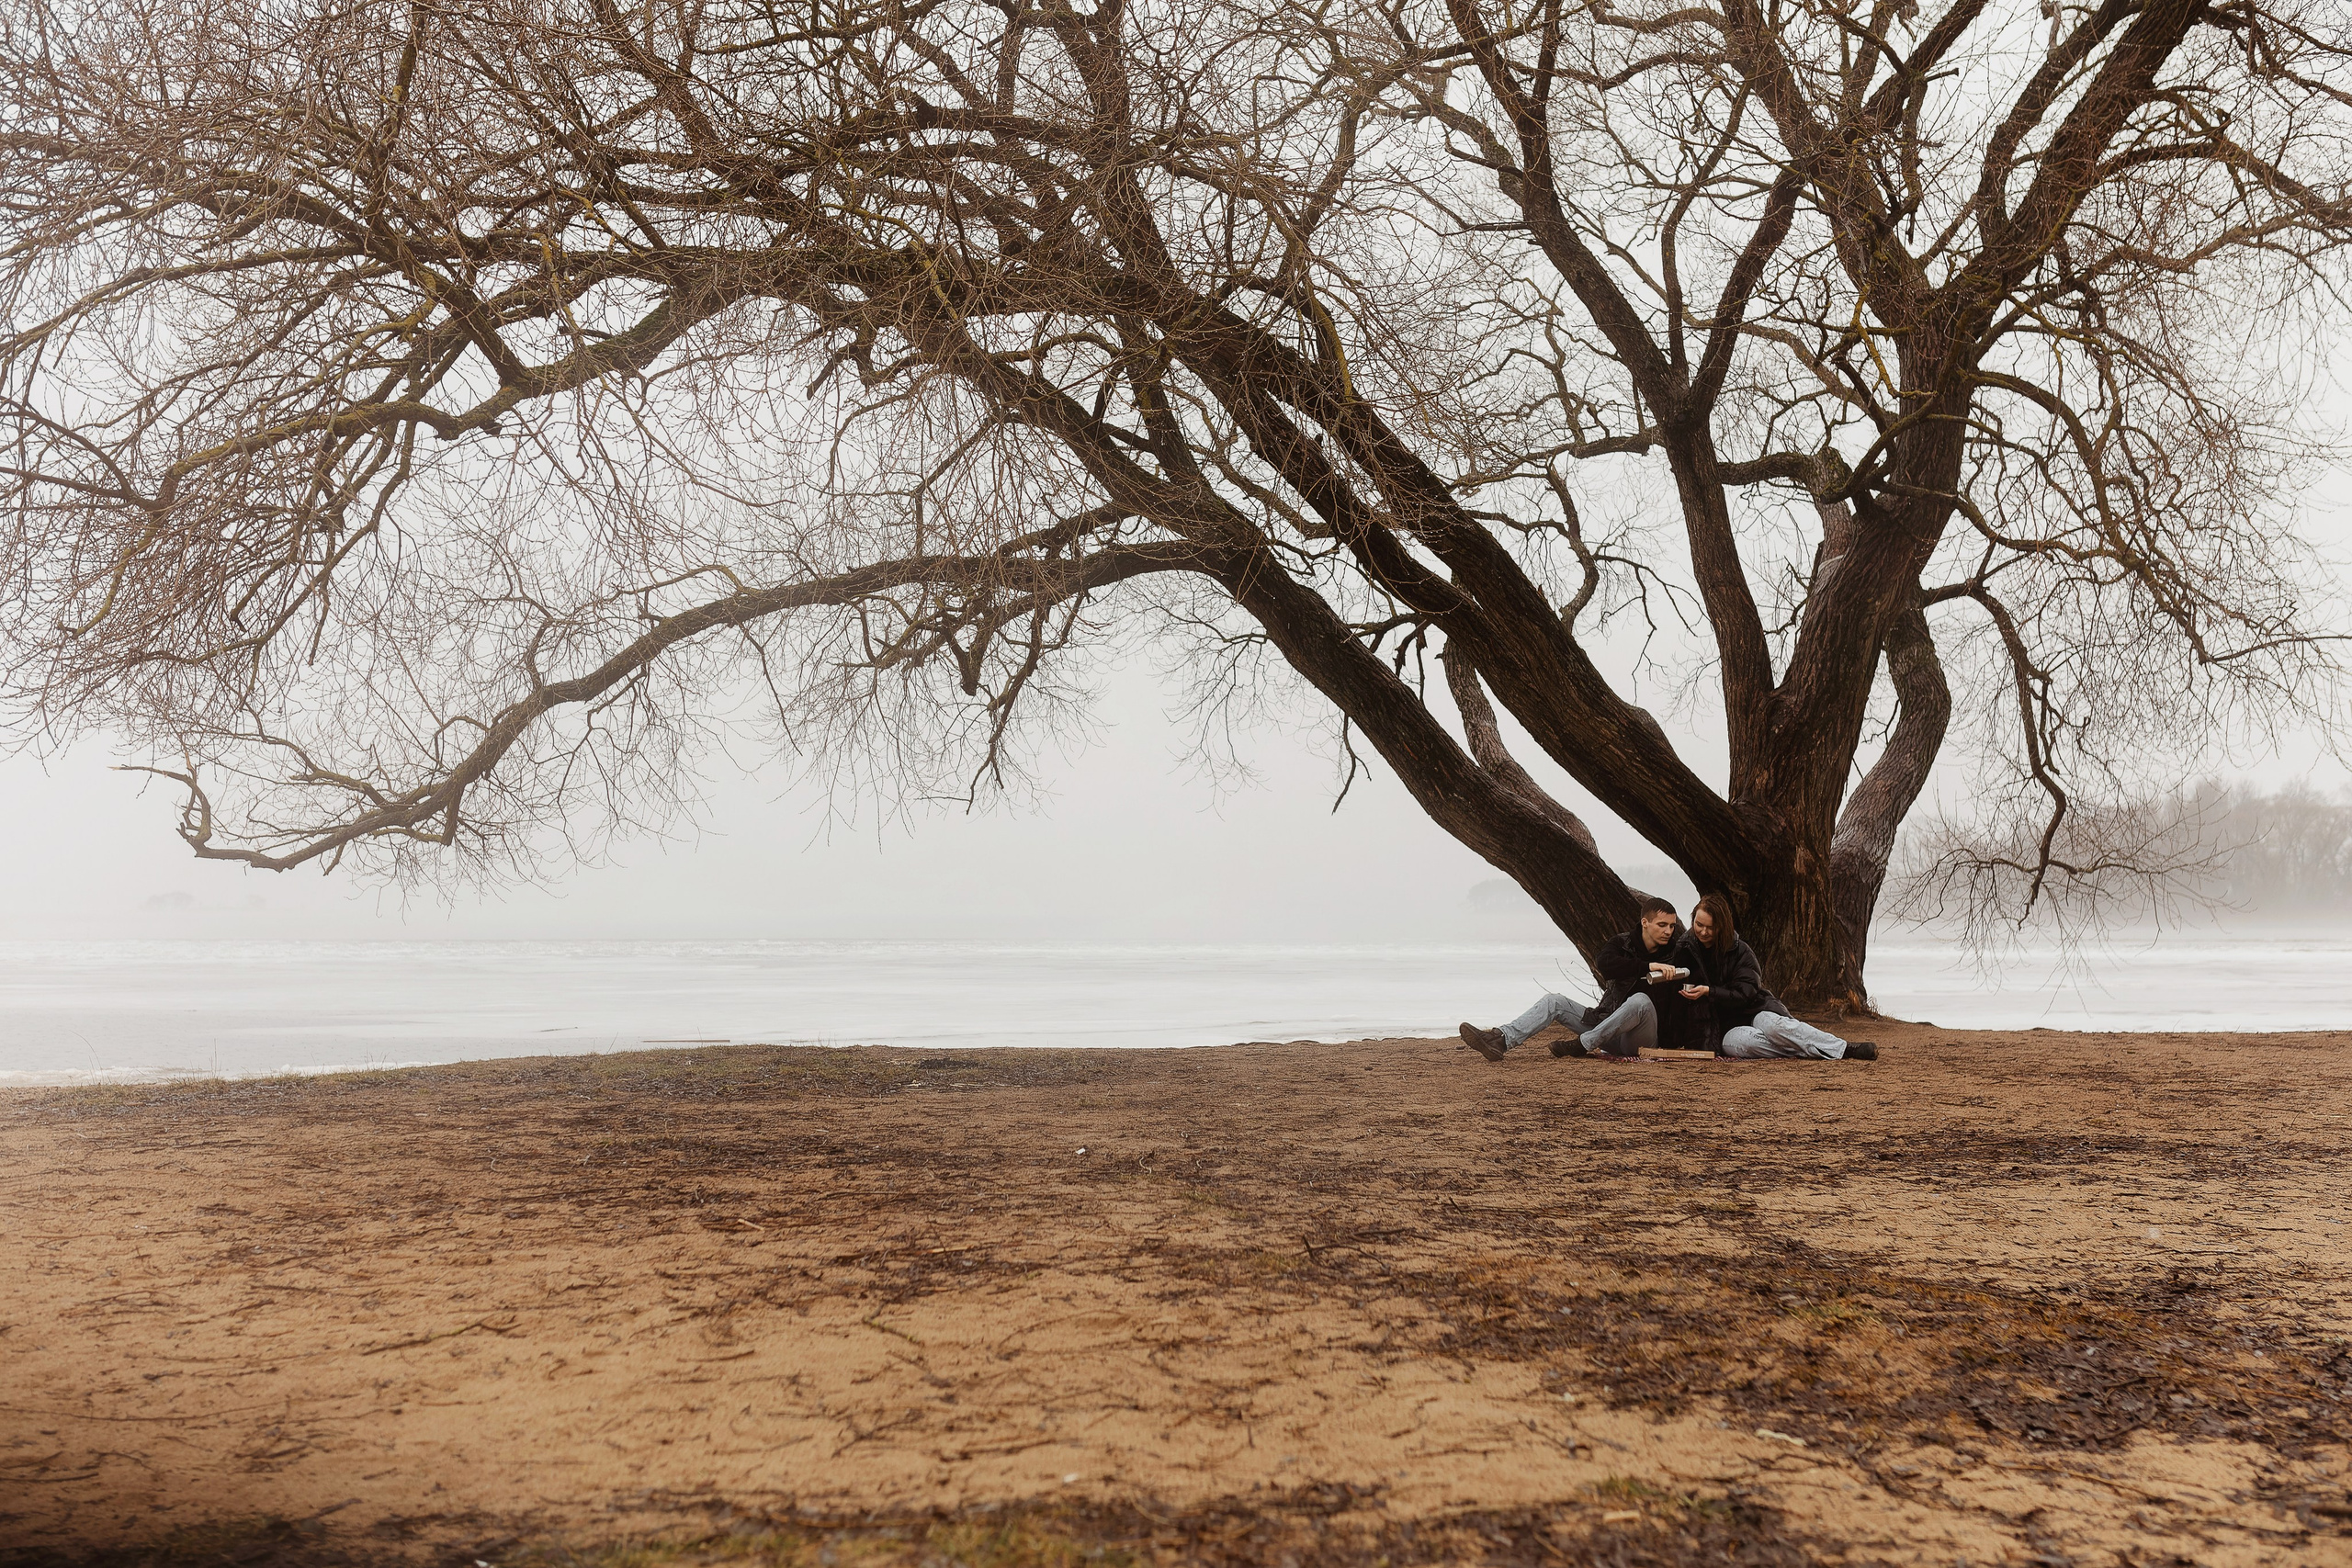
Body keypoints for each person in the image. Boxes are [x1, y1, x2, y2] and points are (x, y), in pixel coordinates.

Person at [1457, 895, 1709, 1061]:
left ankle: (1582, 1044)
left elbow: (1696, 986)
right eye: (1662, 925)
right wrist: (1647, 966)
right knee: (1554, 1001)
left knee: (1641, 1000)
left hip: (1641, 1039)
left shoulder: (1678, 953)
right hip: (1606, 1028)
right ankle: (1500, 1040)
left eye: (1671, 926)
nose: (1668, 931)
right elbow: (1605, 964)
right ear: (1645, 922)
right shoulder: (1622, 943)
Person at [1679, 893, 1877, 1062]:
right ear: (1692, 920)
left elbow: (1746, 993)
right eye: (1699, 925)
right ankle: (1812, 1049)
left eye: (1711, 927)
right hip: (1722, 1030)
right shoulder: (1684, 949)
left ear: (1723, 926)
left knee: (1775, 1027)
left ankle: (1844, 1048)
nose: (1704, 932)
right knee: (1745, 1044)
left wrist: (1710, 991)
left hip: (1754, 1011)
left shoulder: (1740, 951)